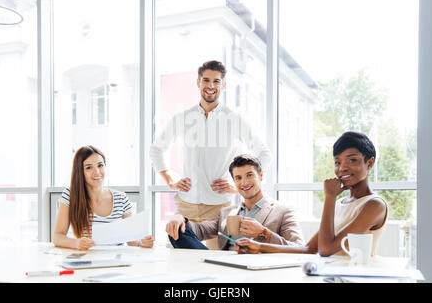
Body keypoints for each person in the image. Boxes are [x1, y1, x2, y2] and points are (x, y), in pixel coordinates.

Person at [150, 60, 272, 249]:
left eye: (216, 81)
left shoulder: (234, 119)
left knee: (217, 267)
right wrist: (169, 179)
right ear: (198, 83)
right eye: (206, 80)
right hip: (185, 206)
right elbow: (156, 149)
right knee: (180, 265)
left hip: (219, 209)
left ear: (223, 85)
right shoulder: (183, 117)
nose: (211, 86)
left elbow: (264, 153)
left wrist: (236, 185)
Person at [234, 131, 388, 257]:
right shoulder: (342, 203)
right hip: (329, 275)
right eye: (337, 162)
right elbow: (308, 249)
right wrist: (258, 246)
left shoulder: (374, 205)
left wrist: (329, 197)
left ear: (370, 162)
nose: (342, 168)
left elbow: (326, 250)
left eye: (352, 160)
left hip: (351, 277)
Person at [165, 154, 304, 250]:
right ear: (234, 181)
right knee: (177, 231)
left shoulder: (283, 211)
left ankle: (207, 268)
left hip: (258, 268)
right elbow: (200, 229)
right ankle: (208, 266)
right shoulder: (227, 212)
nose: (244, 182)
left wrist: (263, 233)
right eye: (238, 178)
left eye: (249, 175)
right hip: (226, 267)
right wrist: (180, 218)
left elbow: (299, 248)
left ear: (260, 176)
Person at [52, 145, 154, 250]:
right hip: (87, 260)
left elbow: (132, 241)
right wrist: (76, 243)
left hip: (117, 261)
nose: (97, 172)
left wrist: (141, 243)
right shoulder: (71, 195)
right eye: (88, 167)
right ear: (80, 172)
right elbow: (57, 237)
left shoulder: (121, 198)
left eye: (100, 165)